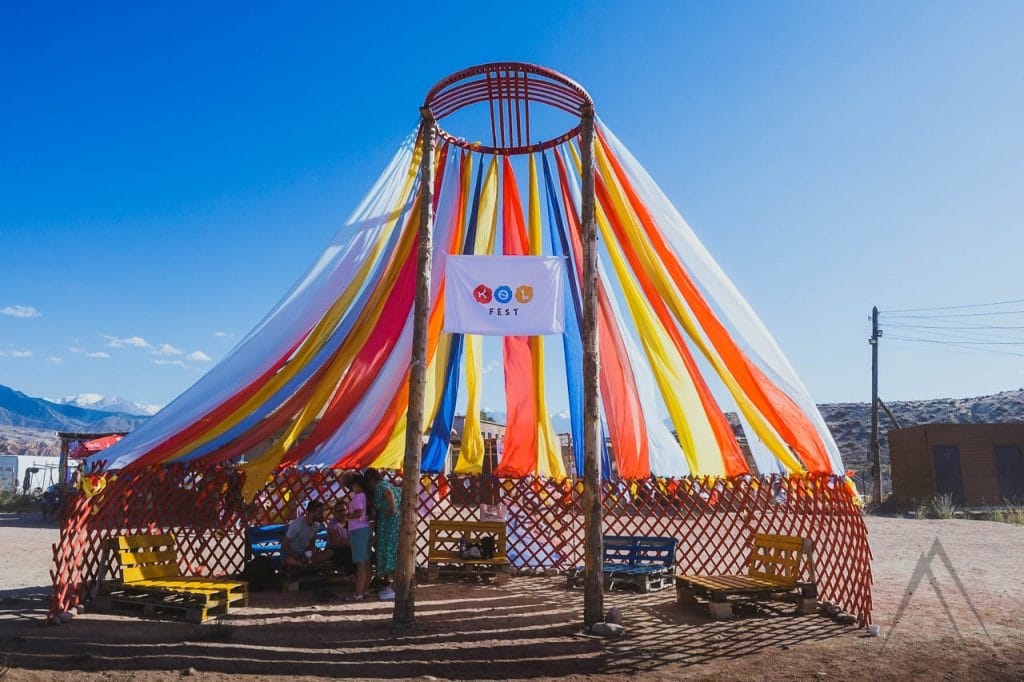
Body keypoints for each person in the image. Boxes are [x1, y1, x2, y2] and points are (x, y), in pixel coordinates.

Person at [363, 468, 400, 601]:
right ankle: (393, 586)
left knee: (389, 550)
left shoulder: (380, 486)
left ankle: (395, 587)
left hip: (389, 523)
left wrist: (393, 509)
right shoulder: (387, 483)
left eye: (367, 482)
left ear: (371, 480)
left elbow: (388, 494)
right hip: (389, 523)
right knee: (390, 550)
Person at [281, 499, 333, 568]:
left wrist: (308, 556)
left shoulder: (316, 525)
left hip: (304, 554)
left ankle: (307, 565)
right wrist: (295, 555)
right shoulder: (298, 524)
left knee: (330, 552)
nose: (322, 516)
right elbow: (284, 545)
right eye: (320, 513)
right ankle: (311, 566)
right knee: (290, 560)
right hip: (291, 554)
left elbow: (312, 544)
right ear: (311, 512)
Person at [345, 473, 372, 600]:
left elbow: (359, 513)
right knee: (366, 562)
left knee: (360, 564)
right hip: (365, 529)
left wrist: (346, 516)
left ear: (357, 485)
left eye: (353, 484)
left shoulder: (357, 497)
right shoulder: (365, 496)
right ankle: (365, 590)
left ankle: (358, 593)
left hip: (357, 530)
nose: (351, 487)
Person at [326, 499, 355, 575]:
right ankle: (351, 576)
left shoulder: (351, 522)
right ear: (335, 513)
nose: (342, 513)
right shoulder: (332, 524)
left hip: (348, 548)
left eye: (344, 510)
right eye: (339, 511)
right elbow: (336, 543)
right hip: (335, 551)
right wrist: (353, 542)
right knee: (348, 552)